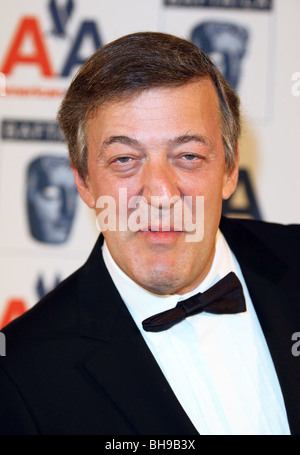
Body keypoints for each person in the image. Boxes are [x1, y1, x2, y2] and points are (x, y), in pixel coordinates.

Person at [0, 31, 299, 436]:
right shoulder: (18, 375)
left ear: (229, 171)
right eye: (125, 159)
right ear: (85, 182)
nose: (159, 193)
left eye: (188, 156)